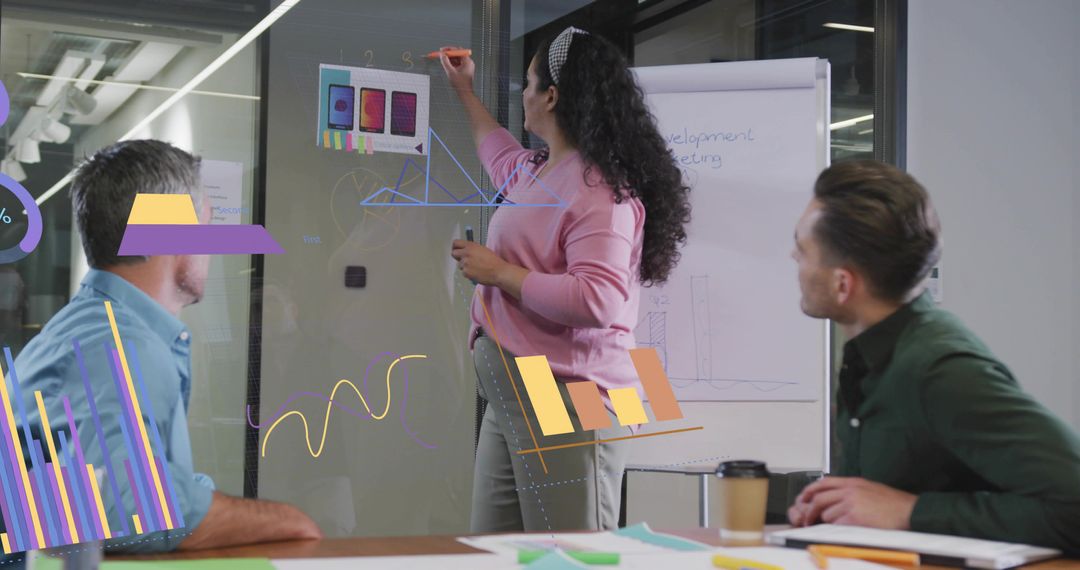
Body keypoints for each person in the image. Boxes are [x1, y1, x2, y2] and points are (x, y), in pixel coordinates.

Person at [11, 140, 322, 552]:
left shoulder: (85, 329)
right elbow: (127, 507)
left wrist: (195, 494)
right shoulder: (120, 347)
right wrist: (287, 520)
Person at [442, 27, 691, 532]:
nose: (524, 96)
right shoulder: (539, 169)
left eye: (528, 85)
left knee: (570, 555)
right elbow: (497, 153)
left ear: (551, 96)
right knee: (499, 552)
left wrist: (499, 272)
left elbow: (596, 299)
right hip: (515, 393)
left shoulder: (601, 192)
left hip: (569, 393)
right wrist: (464, 90)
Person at [786, 160, 1080, 552]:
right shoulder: (872, 354)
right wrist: (840, 508)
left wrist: (912, 511)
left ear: (843, 284)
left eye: (803, 249)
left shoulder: (940, 370)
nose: (793, 258)